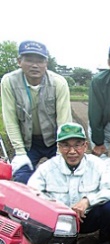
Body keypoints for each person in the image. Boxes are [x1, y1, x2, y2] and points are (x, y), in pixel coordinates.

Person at [27, 122, 110, 244]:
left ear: (85, 146)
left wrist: (87, 201)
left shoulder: (98, 165)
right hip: (58, 221)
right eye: (66, 145)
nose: (72, 151)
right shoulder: (47, 168)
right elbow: (31, 193)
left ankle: (105, 240)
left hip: (87, 217)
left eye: (77, 145)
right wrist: (56, 207)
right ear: (59, 147)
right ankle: (65, 242)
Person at [1, 40, 72, 184]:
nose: (35, 65)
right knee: (22, 179)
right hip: (28, 142)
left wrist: (60, 153)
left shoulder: (58, 83)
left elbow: (64, 121)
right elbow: (10, 119)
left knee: (62, 179)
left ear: (46, 63)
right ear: (19, 61)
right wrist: (20, 152)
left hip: (54, 140)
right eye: (29, 60)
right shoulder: (9, 81)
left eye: (40, 61)